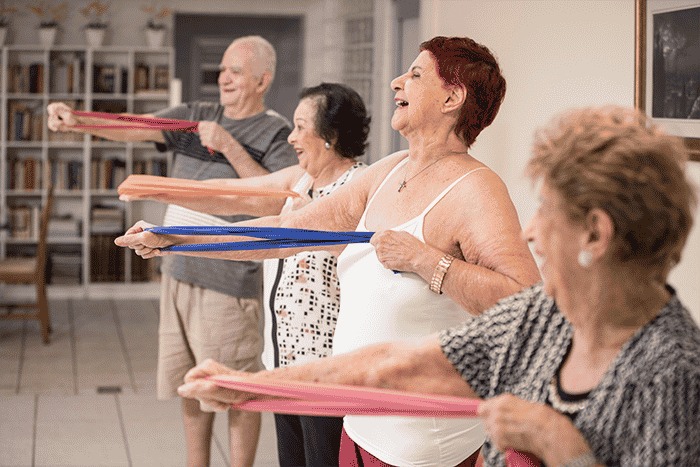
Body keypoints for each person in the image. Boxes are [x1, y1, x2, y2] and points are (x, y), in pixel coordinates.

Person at [174, 105, 700, 466]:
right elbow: (398, 365)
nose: (531, 232)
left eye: (548, 212)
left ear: (596, 233)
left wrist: (563, 447)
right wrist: (254, 387)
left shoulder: (670, 370)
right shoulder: (541, 317)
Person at [116, 36, 541, 466]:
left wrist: (426, 261)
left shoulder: (475, 189)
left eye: (415, 75)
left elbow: (525, 302)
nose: (397, 82)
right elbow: (286, 231)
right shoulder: (389, 170)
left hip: (422, 444)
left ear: (452, 97)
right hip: (358, 423)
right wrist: (174, 239)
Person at [48, 36, 298, 467]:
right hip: (178, 272)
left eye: (235, 70)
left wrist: (229, 145)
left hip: (228, 280)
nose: (223, 77)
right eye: (222, 69)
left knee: (234, 389)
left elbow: (277, 200)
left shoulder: (277, 132)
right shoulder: (195, 116)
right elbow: (135, 125)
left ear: (263, 79)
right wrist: (76, 121)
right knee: (190, 384)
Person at [120, 82, 370, 467]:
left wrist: (174, 237)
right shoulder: (298, 181)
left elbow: (271, 234)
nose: (292, 136)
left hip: (329, 367)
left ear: (331, 137)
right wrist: (159, 192)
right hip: (285, 362)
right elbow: (230, 193)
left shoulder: (358, 187)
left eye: (302, 127)